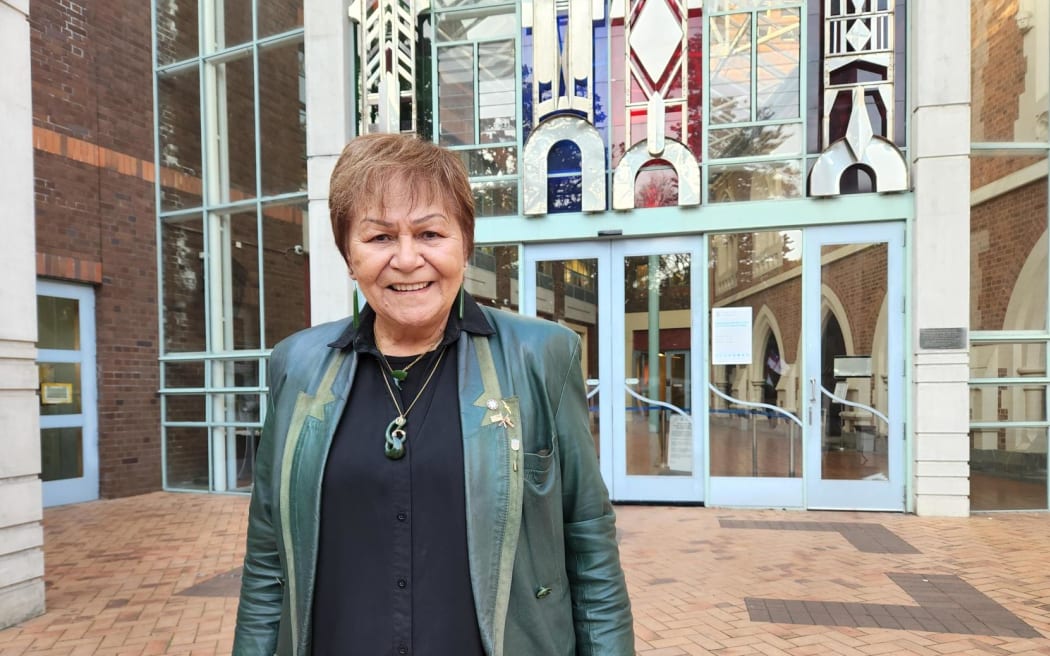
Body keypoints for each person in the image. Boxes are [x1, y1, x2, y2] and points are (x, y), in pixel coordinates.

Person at [233, 133, 635, 655]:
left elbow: (589, 543)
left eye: (429, 233)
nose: (406, 259)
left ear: (464, 244)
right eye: (379, 238)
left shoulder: (542, 357)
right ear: (348, 256)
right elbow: (268, 556)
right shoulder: (298, 366)